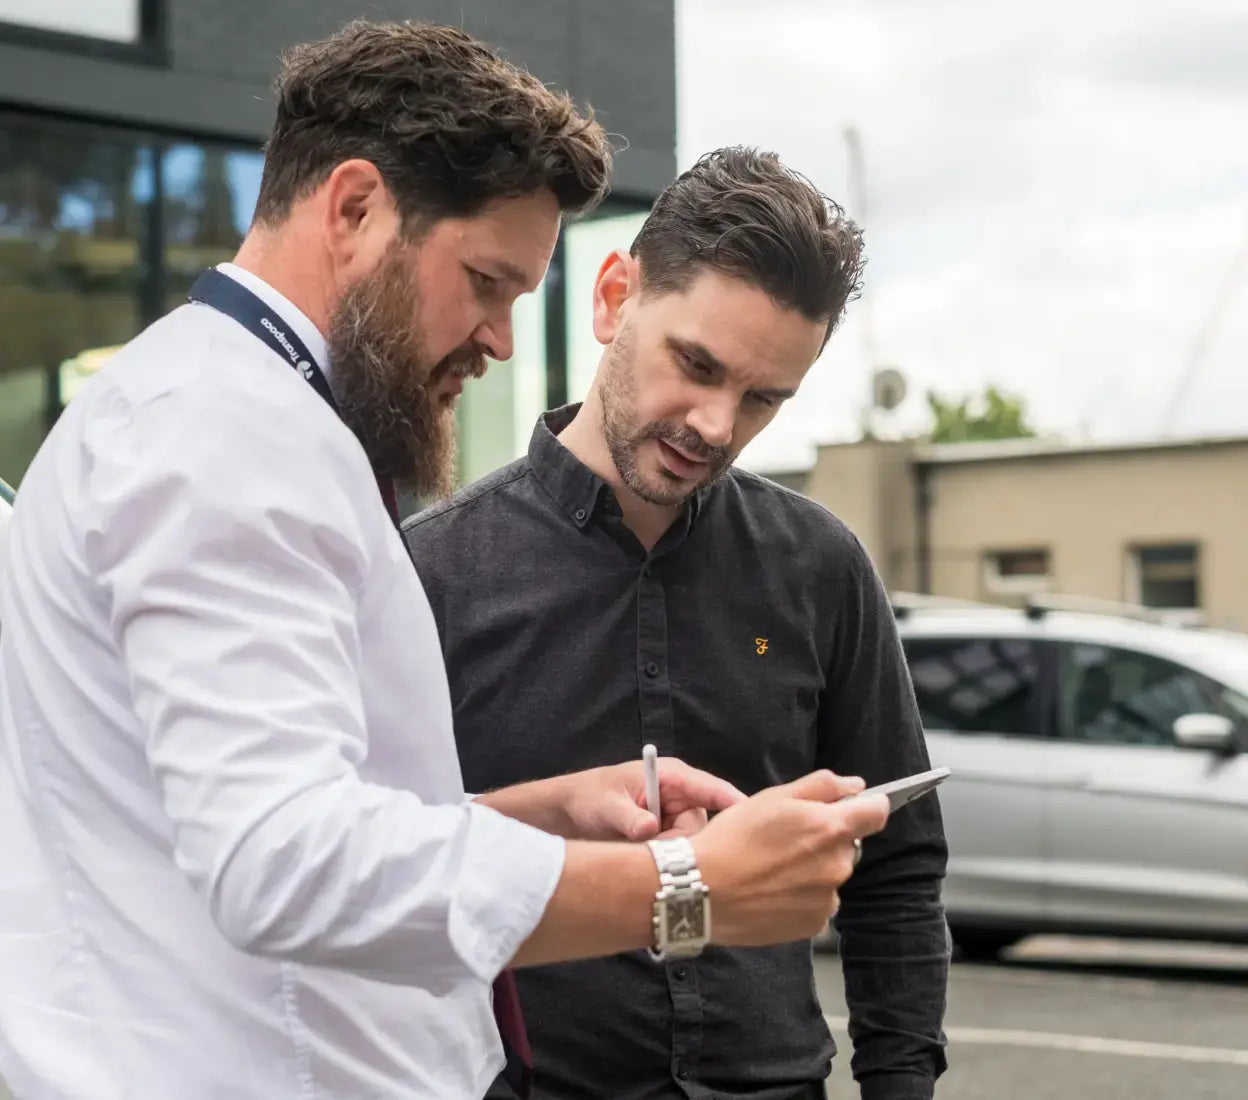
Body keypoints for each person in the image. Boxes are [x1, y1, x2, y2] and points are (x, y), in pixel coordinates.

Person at [0, 25, 893, 1100]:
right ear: (356, 208)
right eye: (487, 281)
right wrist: (682, 886)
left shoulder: (229, 413)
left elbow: (235, 824)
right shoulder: (221, 434)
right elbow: (282, 862)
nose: (504, 339)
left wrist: (533, 816)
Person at [403, 146, 950, 1100]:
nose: (715, 423)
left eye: (763, 397)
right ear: (615, 297)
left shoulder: (823, 567)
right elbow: (381, 865)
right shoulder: (430, 573)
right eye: (696, 364)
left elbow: (897, 872)